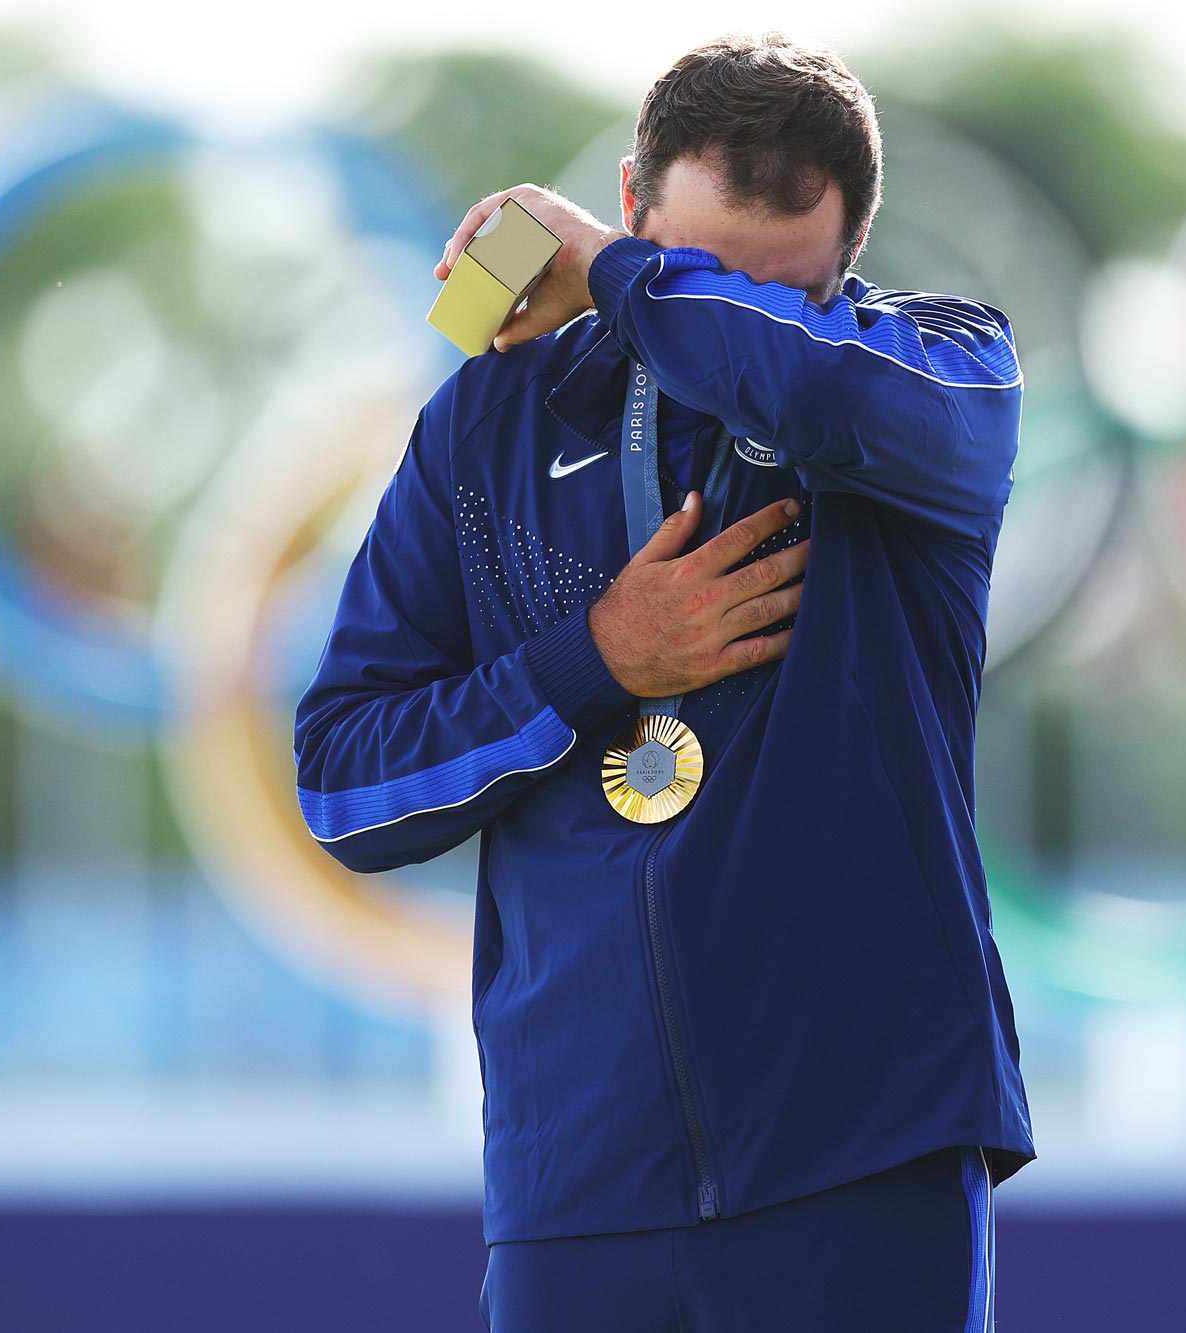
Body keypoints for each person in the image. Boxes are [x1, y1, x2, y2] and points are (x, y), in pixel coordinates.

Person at [294, 29, 1032, 1332]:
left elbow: (792, 374)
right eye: (693, 266)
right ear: (632, 197)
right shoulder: (488, 422)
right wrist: (594, 663)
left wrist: (633, 279)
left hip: (867, 1146)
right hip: (582, 1175)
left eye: (778, 290)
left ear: (850, 255)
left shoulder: (937, 378)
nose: (716, 328)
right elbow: (345, 787)